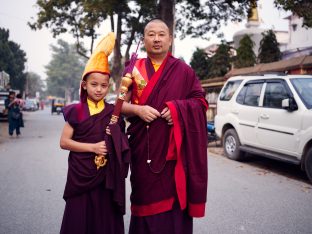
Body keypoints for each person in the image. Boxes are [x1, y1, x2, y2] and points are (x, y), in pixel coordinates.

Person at [121, 19, 208, 234]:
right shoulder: (134, 70)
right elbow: (119, 106)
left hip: (173, 154)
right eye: (151, 34)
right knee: (143, 199)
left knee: (174, 203)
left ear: (170, 39)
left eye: (162, 34)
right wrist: (138, 110)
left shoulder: (184, 71)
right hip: (143, 151)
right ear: (144, 40)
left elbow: (200, 102)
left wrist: (179, 111)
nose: (157, 39)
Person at [59, 32, 130, 234]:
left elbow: (123, 143)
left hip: (106, 177)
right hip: (81, 175)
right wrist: (92, 147)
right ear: (84, 85)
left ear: (109, 86)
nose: (99, 89)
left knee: (104, 220)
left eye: (104, 85)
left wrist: (115, 134)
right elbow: (64, 142)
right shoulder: (77, 110)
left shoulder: (113, 112)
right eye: (94, 84)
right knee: (80, 219)